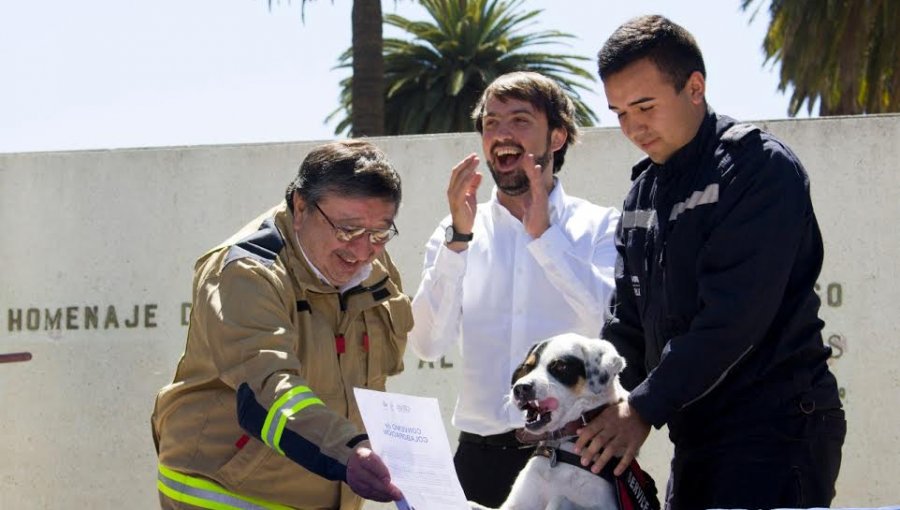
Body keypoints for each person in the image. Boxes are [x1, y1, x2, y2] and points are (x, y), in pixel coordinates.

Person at [574, 15, 846, 510]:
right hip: (696, 433)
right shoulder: (642, 193)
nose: (632, 127)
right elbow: (627, 324)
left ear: (694, 87)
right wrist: (598, 404)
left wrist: (640, 409)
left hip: (776, 433)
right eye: (618, 112)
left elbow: (731, 319)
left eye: (645, 106)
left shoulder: (759, 169)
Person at [151, 140, 414, 510]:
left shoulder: (375, 267)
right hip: (227, 493)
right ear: (301, 207)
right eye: (347, 229)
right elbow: (268, 389)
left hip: (330, 487)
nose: (361, 250)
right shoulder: (246, 273)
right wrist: (349, 450)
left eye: (380, 233)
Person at [408, 71, 620, 507]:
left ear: (556, 137)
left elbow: (607, 323)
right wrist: (457, 243)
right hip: (478, 461)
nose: (501, 133)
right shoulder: (455, 234)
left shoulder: (600, 227)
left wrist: (545, 237)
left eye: (520, 120)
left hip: (577, 457)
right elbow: (427, 344)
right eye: (491, 123)